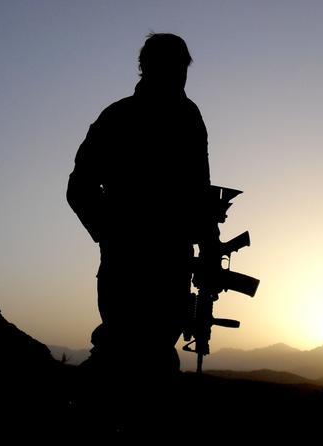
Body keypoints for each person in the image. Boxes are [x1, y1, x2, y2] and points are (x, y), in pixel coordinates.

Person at [67, 33, 213, 382]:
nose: (180, 77)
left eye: (182, 70)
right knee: (121, 354)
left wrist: (207, 248)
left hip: (170, 264)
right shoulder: (119, 118)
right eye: (174, 69)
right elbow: (79, 188)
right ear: (147, 69)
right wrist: (113, 235)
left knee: (154, 358)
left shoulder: (188, 117)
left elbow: (201, 192)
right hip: (129, 266)